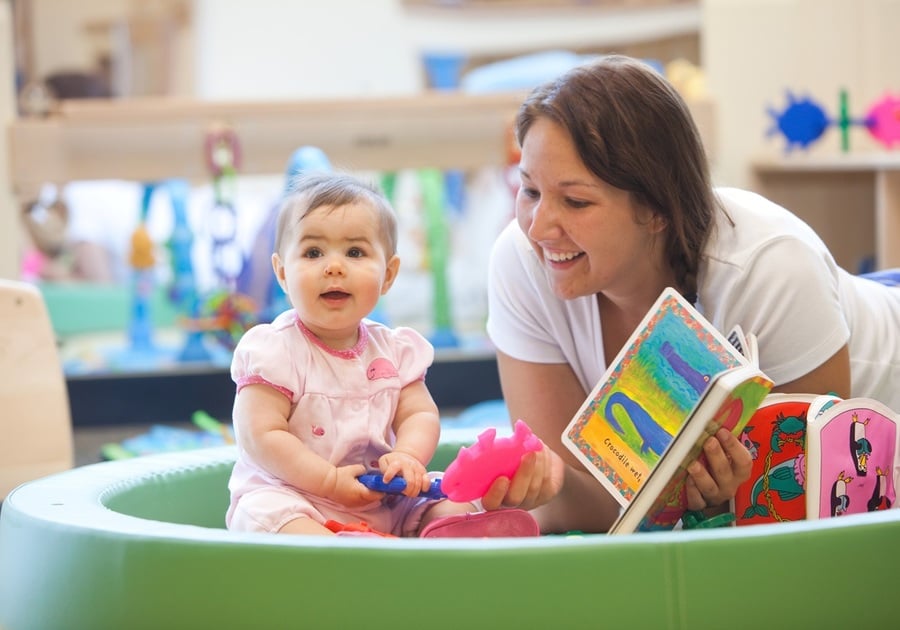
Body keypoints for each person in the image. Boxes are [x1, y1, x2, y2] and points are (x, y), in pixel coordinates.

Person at [480, 54, 900, 534]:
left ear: (659, 209)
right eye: (530, 190)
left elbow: (806, 508)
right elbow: (575, 498)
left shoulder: (769, 268)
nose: (539, 227)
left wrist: (719, 503)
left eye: (576, 201)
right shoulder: (519, 260)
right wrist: (537, 487)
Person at [226, 171, 537, 537]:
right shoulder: (274, 349)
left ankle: (446, 531)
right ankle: (337, 553)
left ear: (388, 275)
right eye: (312, 252)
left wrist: (406, 456)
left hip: (382, 499)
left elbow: (419, 413)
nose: (334, 266)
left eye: (355, 252)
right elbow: (260, 434)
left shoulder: (395, 350)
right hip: (298, 496)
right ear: (282, 273)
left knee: (447, 494)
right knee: (263, 514)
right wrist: (327, 481)